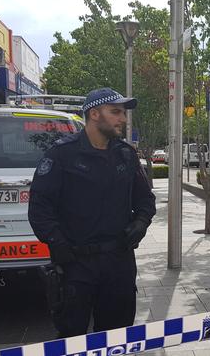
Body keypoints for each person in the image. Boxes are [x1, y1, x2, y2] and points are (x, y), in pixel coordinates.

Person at [28, 87, 156, 337]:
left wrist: (141, 222)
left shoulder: (126, 155)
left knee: (116, 337)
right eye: (116, 112)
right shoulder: (62, 154)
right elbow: (40, 208)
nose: (123, 119)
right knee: (72, 338)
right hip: (76, 266)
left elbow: (145, 200)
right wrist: (58, 244)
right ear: (95, 114)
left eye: (123, 113)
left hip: (118, 263)